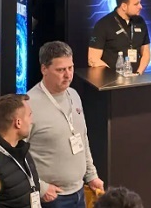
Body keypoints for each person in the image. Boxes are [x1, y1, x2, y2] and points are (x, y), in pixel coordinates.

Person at [27, 43, 103, 207]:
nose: (68, 75)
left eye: (70, 68)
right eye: (61, 70)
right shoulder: (28, 105)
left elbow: (82, 138)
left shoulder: (73, 95)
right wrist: (41, 187)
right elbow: (15, 156)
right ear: (44, 69)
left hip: (79, 192)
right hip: (51, 198)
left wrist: (91, 175)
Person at [87, 0, 150, 74]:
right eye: (136, 4)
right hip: (111, 79)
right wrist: (113, 77)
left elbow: (146, 53)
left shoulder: (140, 22)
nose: (140, 6)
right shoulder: (103, 24)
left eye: (140, 3)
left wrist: (138, 73)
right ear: (124, 6)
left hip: (136, 78)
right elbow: (93, 59)